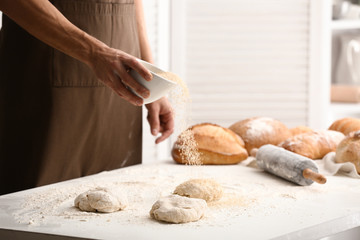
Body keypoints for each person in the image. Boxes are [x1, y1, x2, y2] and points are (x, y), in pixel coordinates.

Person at [0, 0, 174, 195]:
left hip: (123, 80)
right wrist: (94, 52)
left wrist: (151, 82)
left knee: (115, 202)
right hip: (48, 76)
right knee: (33, 206)